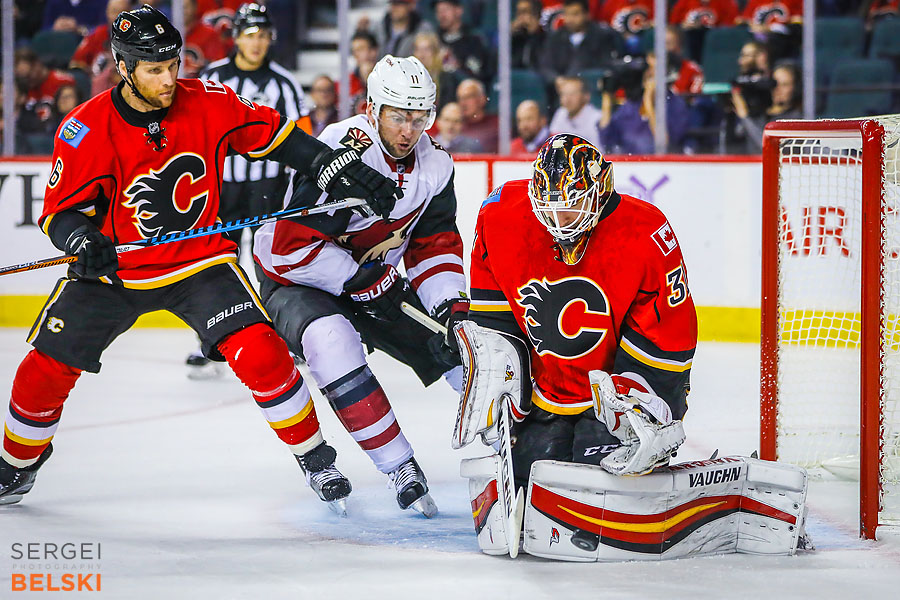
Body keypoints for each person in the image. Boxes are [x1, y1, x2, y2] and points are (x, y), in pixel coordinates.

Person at [0, 5, 401, 513]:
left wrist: (329, 163)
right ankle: (16, 465)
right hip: (114, 274)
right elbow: (59, 215)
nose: (169, 79)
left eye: (173, 66)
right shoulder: (85, 128)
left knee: (262, 353)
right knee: (42, 371)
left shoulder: (207, 100)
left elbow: (275, 136)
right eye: (153, 70)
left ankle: (316, 458)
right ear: (123, 68)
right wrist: (81, 239)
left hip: (199, 264)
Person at [253, 55, 469, 517]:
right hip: (295, 279)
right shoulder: (337, 151)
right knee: (332, 340)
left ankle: (513, 441)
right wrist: (358, 277)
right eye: (398, 117)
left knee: (459, 346)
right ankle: (398, 466)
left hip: (375, 280)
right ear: (372, 109)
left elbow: (433, 245)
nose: (409, 130)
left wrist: (450, 305)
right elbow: (287, 248)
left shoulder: (436, 166)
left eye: (419, 118)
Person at [464, 132, 697, 488]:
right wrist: (501, 388)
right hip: (547, 393)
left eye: (572, 205)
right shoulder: (500, 217)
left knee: (598, 483)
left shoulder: (645, 232)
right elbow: (495, 320)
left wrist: (640, 408)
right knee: (534, 482)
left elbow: (667, 339)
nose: (560, 220)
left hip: (620, 395)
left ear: (601, 189)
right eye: (550, 207)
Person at [186, 2, 312, 377]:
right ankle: (209, 342)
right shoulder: (211, 78)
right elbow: (193, 130)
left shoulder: (284, 83)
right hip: (220, 187)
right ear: (236, 38)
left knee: (271, 264)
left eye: (263, 36)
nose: (256, 43)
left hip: (270, 187)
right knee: (214, 263)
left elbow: (301, 137)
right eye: (250, 35)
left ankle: (287, 339)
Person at [599, 53, 690, 154]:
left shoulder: (675, 104)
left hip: (662, 166)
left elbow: (666, 145)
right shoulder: (632, 104)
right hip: (631, 164)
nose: (648, 73)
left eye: (653, 69)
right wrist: (606, 99)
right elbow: (606, 141)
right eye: (647, 68)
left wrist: (649, 103)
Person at [539, 0, 620, 91]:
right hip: (561, 91)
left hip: (591, 90)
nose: (570, 19)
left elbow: (606, 65)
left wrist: (577, 81)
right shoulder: (556, 37)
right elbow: (545, 66)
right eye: (566, 14)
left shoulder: (602, 36)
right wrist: (557, 79)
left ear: (587, 15)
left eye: (575, 14)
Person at [434, 0, 493, 85]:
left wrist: (458, 67)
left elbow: (479, 74)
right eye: (438, 11)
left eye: (445, 10)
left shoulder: (473, 39)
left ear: (459, 10)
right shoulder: (435, 38)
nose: (441, 15)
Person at [548, 76, 603, 148]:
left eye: (573, 94)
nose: (567, 99)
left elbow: (600, 152)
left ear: (586, 96)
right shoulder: (560, 113)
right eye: (564, 94)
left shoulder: (597, 118)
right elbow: (554, 146)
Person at [182, 0, 230, 78]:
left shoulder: (208, 33)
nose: (182, 11)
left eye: (186, 7)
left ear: (195, 7)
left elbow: (218, 65)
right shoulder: (168, 33)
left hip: (201, 83)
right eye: (179, 7)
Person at [456, 78, 498, 153]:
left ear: (482, 99)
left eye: (468, 97)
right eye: (460, 98)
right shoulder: (456, 125)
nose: (463, 103)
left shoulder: (497, 125)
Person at [511, 0, 546, 72]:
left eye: (524, 12)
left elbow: (543, 65)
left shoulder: (547, 38)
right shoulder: (515, 37)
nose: (520, 17)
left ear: (536, 15)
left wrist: (533, 33)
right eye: (518, 13)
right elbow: (496, 64)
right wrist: (508, 35)